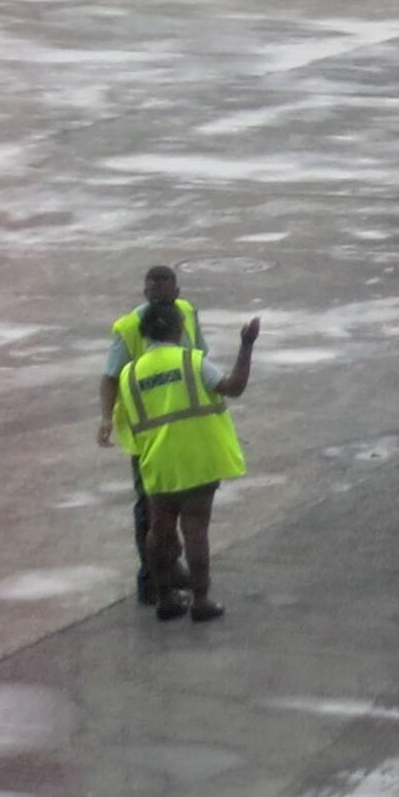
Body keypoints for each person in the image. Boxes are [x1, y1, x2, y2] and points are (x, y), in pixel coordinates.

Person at [117, 301, 257, 623]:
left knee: (159, 532)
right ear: (177, 329)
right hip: (197, 460)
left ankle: (164, 597)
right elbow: (234, 387)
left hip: (157, 462)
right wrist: (246, 346)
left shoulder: (130, 373)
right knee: (195, 531)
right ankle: (201, 600)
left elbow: (127, 421)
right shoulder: (191, 361)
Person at [98, 266, 202, 603]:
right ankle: (152, 579)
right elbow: (110, 376)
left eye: (165, 290)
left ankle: (171, 568)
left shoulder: (186, 314)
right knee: (151, 506)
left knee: (178, 502)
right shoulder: (130, 327)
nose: (158, 296)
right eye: (152, 290)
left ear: (177, 292)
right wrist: (105, 418)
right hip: (146, 433)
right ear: (144, 293)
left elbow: (198, 359)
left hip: (181, 428)